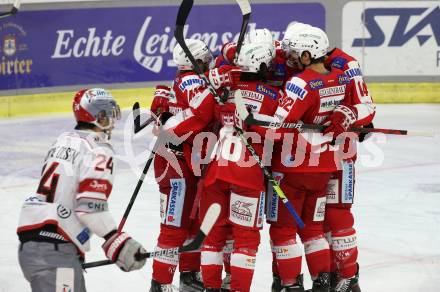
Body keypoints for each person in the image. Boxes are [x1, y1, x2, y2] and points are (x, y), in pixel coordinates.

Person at [162, 41, 280, 292]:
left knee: (212, 237)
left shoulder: (223, 91)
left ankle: (211, 288)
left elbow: (203, 114)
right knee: (245, 239)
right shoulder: (274, 96)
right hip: (247, 174)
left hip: (215, 171)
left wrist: (217, 84)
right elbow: (279, 133)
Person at [258, 26, 361, 292]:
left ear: (307, 54)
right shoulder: (340, 78)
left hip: (294, 165)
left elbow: (277, 127)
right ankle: (323, 279)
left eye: (295, 52)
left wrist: (252, 124)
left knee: (282, 229)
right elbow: (354, 106)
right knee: (314, 229)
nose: (290, 56)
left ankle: (290, 284)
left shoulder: (300, 83)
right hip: (324, 166)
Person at [17, 88, 147, 292]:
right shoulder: (98, 151)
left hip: (33, 245)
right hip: (55, 250)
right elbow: (89, 208)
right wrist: (117, 242)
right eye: (108, 114)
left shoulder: (62, 140)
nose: (112, 120)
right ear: (98, 116)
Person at [149, 39, 214, 292]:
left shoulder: (186, 80)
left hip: (181, 161)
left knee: (191, 221)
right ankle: (161, 283)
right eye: (205, 60)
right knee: (175, 225)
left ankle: (188, 274)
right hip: (174, 163)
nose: (209, 64)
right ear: (196, 62)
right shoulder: (195, 82)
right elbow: (201, 115)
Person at [320, 47, 375, 292]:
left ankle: (348, 275)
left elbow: (366, 106)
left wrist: (353, 116)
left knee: (337, 214)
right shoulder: (290, 60)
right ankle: (331, 273)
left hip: (340, 153)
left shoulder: (346, 63)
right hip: (306, 157)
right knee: (317, 219)